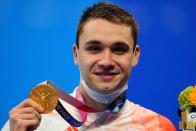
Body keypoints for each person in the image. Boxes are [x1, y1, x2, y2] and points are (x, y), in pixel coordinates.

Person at [2, 2, 176, 131]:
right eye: (94, 48)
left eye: (119, 49)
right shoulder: (32, 123)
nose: (106, 61)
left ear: (135, 56)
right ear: (76, 54)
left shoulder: (158, 126)